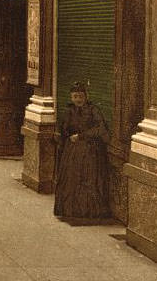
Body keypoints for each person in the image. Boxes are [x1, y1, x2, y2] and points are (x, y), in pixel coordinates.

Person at [54, 81, 111, 223]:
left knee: (87, 178)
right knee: (71, 179)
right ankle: (71, 210)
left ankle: (87, 211)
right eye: (75, 97)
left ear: (86, 96)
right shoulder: (69, 111)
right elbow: (63, 129)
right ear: (71, 98)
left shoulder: (93, 110)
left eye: (80, 96)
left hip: (89, 151)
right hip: (72, 150)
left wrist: (82, 136)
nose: (78, 100)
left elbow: (101, 129)